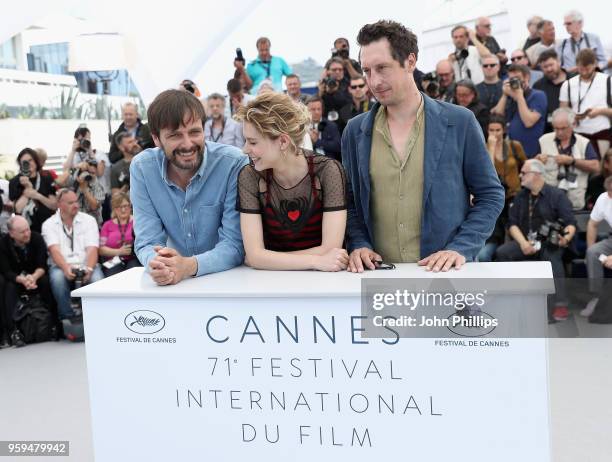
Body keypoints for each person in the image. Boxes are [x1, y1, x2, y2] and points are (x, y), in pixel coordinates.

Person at [343, 20, 504, 273]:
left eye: (382, 68)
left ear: (410, 61)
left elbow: (490, 195)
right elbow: (350, 201)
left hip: (446, 278)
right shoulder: (355, 131)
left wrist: (460, 248)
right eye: (367, 71)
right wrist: (359, 243)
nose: (374, 81)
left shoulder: (459, 121)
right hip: (379, 280)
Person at [130, 89, 247, 286]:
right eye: (175, 135)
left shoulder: (233, 164)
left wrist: (187, 266)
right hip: (175, 285)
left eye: (194, 132)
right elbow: (147, 241)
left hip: (229, 281)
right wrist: (160, 264)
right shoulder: (142, 168)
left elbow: (235, 245)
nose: (187, 144)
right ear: (156, 139)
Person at [235, 92, 348, 271]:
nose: (244, 149)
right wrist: (315, 261)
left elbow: (332, 249)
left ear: (282, 141)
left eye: (253, 142)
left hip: (322, 283)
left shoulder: (328, 171)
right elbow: (255, 256)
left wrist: (267, 259)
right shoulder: (250, 176)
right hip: (271, 284)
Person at [495, 159, 576, 321]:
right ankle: (513, 297)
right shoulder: (521, 196)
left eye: (524, 173)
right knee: (502, 253)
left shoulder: (556, 195)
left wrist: (565, 238)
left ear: (537, 174)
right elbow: (512, 224)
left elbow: (570, 223)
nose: (520, 175)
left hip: (550, 242)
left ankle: (559, 304)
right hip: (526, 241)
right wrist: (523, 243)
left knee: (551, 257)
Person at [42, 188, 104, 320]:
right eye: (70, 203)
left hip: (87, 263)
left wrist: (89, 268)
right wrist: (65, 268)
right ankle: (67, 318)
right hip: (61, 265)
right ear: (60, 205)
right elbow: (54, 251)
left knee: (98, 281)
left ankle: (98, 318)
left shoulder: (89, 220)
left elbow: (93, 248)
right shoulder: (49, 224)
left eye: (76, 201)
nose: (76, 205)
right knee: (57, 279)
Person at [0, 215, 58, 346]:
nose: (27, 234)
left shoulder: (36, 238)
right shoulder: (3, 244)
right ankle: (12, 331)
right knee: (8, 287)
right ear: (11, 233)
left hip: (35, 275)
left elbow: (42, 265)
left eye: (28, 229)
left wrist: (33, 277)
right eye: (22, 232)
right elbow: (6, 271)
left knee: (45, 281)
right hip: (16, 279)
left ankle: (53, 323)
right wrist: (22, 280)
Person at [478, 115, 527, 262]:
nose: (494, 133)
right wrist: (491, 148)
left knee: (514, 227)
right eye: (491, 130)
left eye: (498, 130)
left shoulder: (514, 145)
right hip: (495, 196)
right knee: (497, 231)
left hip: (514, 195)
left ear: (504, 130)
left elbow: (525, 165)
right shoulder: (483, 147)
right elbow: (487, 172)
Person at [536, 108, 600, 210]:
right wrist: (537, 161)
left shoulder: (584, 142)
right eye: (556, 128)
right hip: (548, 201)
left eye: (563, 128)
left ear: (573, 125)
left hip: (574, 202)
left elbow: (596, 167)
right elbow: (531, 167)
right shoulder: (543, 140)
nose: (559, 132)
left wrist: (572, 161)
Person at [559, 49, 612, 158]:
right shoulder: (568, 85)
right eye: (581, 68)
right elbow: (562, 113)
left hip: (602, 133)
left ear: (595, 64)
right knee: (581, 170)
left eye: (587, 68)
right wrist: (572, 118)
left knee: (604, 170)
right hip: (578, 135)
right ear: (576, 65)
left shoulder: (608, 80)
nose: (584, 72)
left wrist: (600, 111)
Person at [491, 64, 548, 157]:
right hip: (511, 152)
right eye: (511, 79)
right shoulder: (510, 97)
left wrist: (519, 96)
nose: (514, 82)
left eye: (517, 78)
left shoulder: (538, 95)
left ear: (527, 77)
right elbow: (497, 118)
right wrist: (505, 95)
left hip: (530, 152)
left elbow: (528, 122)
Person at [9, 148, 57, 233]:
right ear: (20, 164)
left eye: (30, 160)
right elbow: (17, 209)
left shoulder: (47, 178)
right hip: (25, 230)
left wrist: (37, 195)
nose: (28, 163)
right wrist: (27, 189)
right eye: (24, 162)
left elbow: (54, 205)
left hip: (48, 227)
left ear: (36, 161)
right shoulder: (15, 181)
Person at [584, 176, 612, 316]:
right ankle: (597, 297)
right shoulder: (603, 198)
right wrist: (590, 248)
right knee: (593, 252)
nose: (610, 196)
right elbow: (592, 223)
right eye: (609, 192)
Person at [99, 192, 141, 277]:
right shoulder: (107, 225)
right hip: (113, 261)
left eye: (125, 206)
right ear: (114, 209)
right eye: (119, 207)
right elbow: (100, 249)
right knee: (113, 278)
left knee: (133, 274)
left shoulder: (137, 222)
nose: (123, 210)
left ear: (130, 206)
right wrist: (119, 251)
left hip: (133, 258)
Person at [533, 49, 574, 133]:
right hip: (548, 131)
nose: (549, 69)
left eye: (551, 65)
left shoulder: (574, 80)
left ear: (558, 62)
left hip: (574, 128)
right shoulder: (538, 86)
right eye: (545, 67)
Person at [306, 95, 341, 160]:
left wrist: (317, 141)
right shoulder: (303, 127)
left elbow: (338, 146)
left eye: (319, 109)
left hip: (329, 163)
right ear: (306, 110)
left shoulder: (331, 125)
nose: (317, 112)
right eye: (313, 109)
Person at [111, 132, 142, 196]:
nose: (134, 144)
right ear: (121, 147)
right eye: (130, 142)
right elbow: (115, 195)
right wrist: (126, 187)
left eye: (134, 141)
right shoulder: (116, 168)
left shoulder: (147, 160)